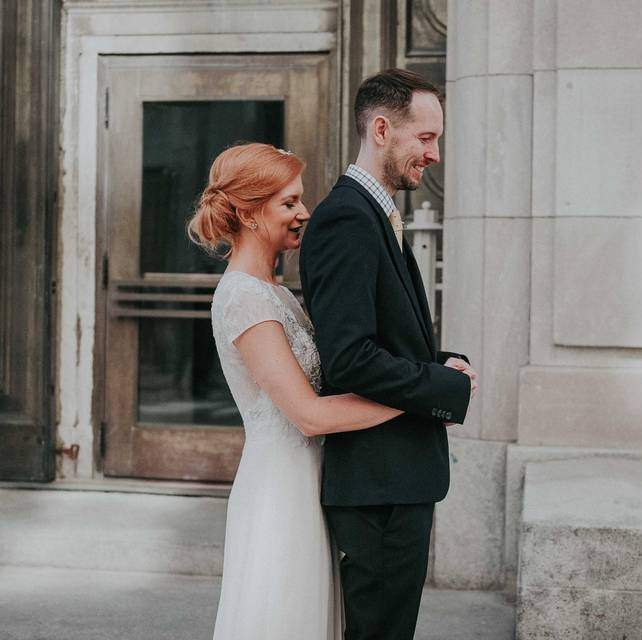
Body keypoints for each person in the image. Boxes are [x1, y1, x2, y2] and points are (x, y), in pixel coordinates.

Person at [190, 142, 463, 639]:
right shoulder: (244, 300)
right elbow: (309, 415)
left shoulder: (274, 292)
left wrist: (431, 373)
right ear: (250, 213)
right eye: (289, 202)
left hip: (316, 479)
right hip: (282, 489)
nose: (304, 213)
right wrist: (422, 398)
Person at [298, 68, 478, 640]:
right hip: (379, 486)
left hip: (394, 480)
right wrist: (440, 388)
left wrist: (437, 364)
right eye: (425, 138)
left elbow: (383, 337)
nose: (435, 154)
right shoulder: (348, 218)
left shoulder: (377, 214)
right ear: (382, 129)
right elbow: (349, 358)